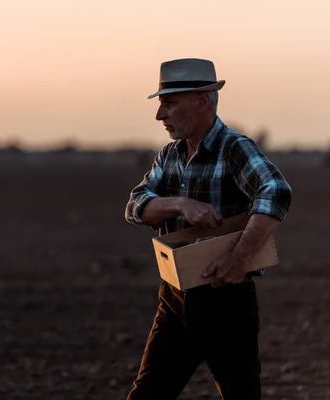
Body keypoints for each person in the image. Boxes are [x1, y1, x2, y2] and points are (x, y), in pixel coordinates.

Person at [124, 58, 292, 400]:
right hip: (174, 300)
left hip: (227, 303)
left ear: (202, 102)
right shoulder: (169, 155)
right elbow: (135, 205)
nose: (160, 116)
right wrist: (180, 204)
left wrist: (239, 259)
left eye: (169, 104)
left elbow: (276, 191)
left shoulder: (235, 149)